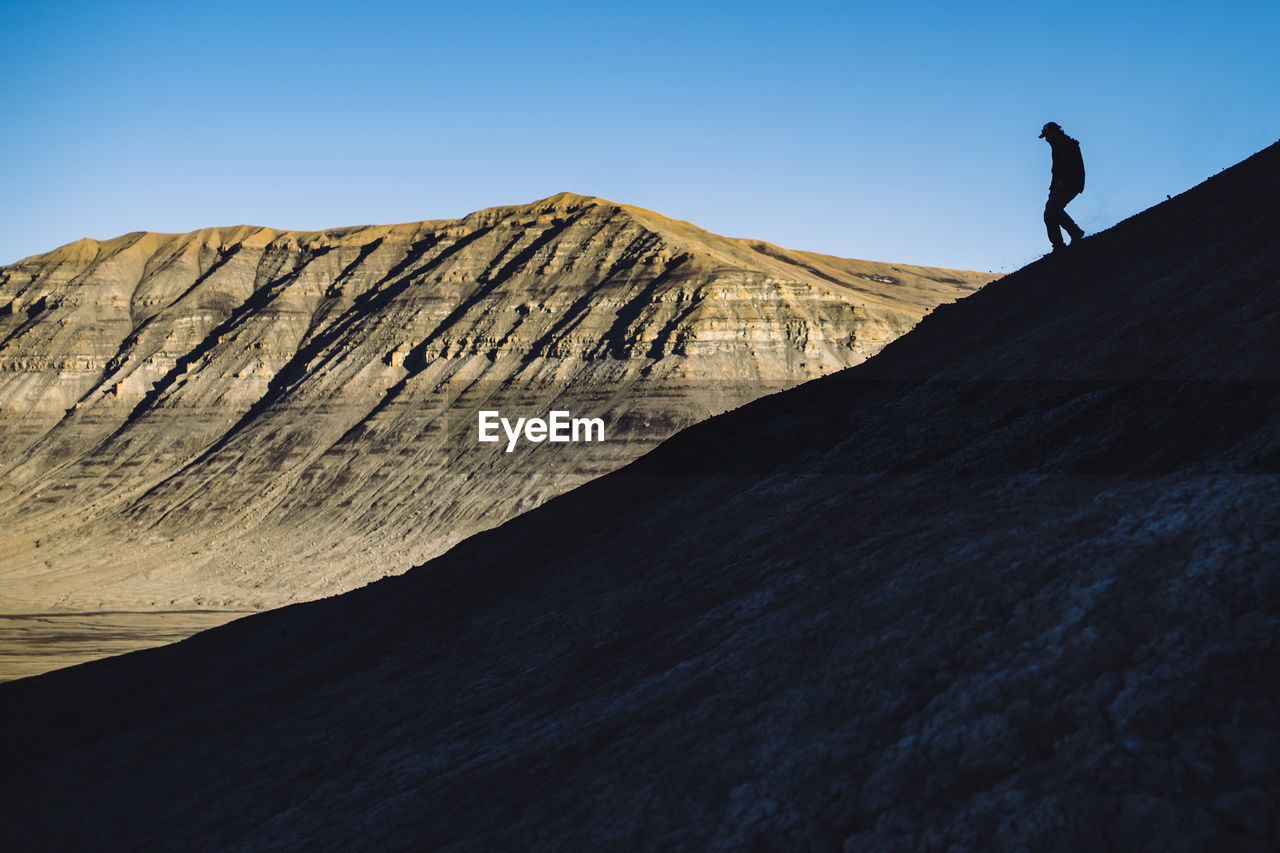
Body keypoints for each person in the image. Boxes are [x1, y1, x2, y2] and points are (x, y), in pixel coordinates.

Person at [1040, 121, 1086, 251]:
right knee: (1049, 213)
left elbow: (1073, 167)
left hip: (1071, 183)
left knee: (1052, 209)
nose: (1046, 139)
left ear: (1054, 133)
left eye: (1047, 136)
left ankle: (1075, 232)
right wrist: (1052, 188)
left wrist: (1063, 182)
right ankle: (1058, 245)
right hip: (1062, 184)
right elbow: (1056, 171)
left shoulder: (1068, 145)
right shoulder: (1057, 147)